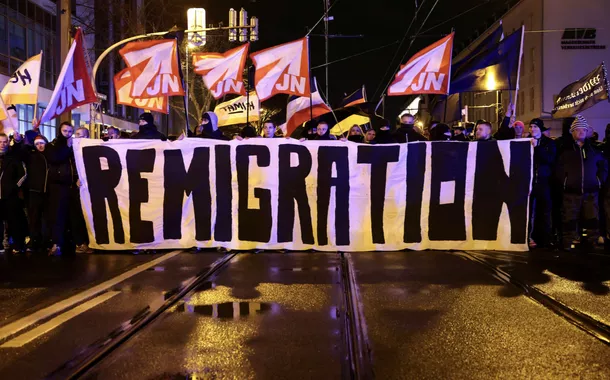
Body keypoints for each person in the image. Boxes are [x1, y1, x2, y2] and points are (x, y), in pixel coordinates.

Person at [556, 115, 607, 251]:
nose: (581, 132)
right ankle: (569, 240)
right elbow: (559, 169)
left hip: (591, 190)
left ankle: (592, 240)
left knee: (592, 217)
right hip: (571, 191)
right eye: (578, 130)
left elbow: (603, 167)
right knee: (569, 218)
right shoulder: (565, 151)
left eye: (583, 130)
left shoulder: (594, 150)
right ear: (572, 132)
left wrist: (598, 181)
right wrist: (565, 182)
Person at [528, 119, 556, 249]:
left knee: (544, 211)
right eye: (531, 126)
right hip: (530, 182)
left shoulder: (548, 143)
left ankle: (544, 238)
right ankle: (529, 236)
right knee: (529, 211)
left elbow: (550, 159)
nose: (532, 129)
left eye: (535, 126)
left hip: (544, 182)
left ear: (540, 129)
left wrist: (537, 148)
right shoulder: (525, 142)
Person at [22, 135, 51, 253]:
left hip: (49, 192)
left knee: (48, 219)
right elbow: (22, 151)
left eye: (41, 143)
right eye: (37, 143)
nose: (39, 145)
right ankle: (34, 241)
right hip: (34, 192)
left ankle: (47, 241)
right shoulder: (31, 156)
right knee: (34, 219)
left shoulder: (51, 155)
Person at [0, 132, 28, 254]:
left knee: (15, 221)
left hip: (11, 195)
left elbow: (23, 174)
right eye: (0, 142)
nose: (2, 144)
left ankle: (18, 244)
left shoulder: (14, 157)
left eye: (4, 142)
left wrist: (14, 187)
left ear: (8, 142)